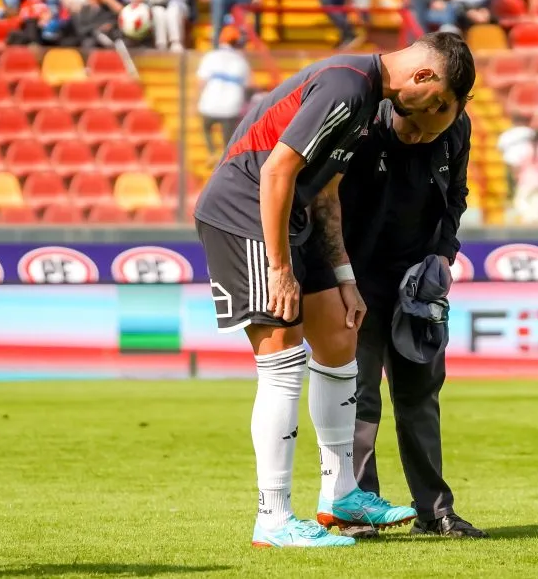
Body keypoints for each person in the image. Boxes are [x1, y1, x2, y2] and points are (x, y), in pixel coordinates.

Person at [192, 32, 475, 548]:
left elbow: (324, 191)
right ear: (423, 77)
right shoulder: (346, 84)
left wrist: (344, 279)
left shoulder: (368, 99)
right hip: (245, 213)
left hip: (295, 220)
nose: (431, 122)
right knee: (282, 359)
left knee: (340, 337)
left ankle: (341, 495)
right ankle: (273, 519)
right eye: (436, 107)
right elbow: (277, 169)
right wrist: (280, 267)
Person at [335, 99, 486, 541]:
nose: (420, 137)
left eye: (431, 132)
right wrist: (339, 275)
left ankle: (436, 511)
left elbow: (456, 194)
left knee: (421, 393)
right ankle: (358, 509)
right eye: (413, 127)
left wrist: (443, 254)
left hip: (418, 280)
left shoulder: (455, 128)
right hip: (354, 276)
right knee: (358, 397)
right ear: (403, 100)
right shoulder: (357, 123)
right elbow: (326, 200)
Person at [197, 25, 250, 158]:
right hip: (231, 107)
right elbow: (248, 85)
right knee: (228, 139)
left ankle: (212, 152)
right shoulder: (241, 61)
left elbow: (201, 81)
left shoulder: (211, 56)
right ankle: (225, 159)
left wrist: (196, 100)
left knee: (206, 127)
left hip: (209, 103)